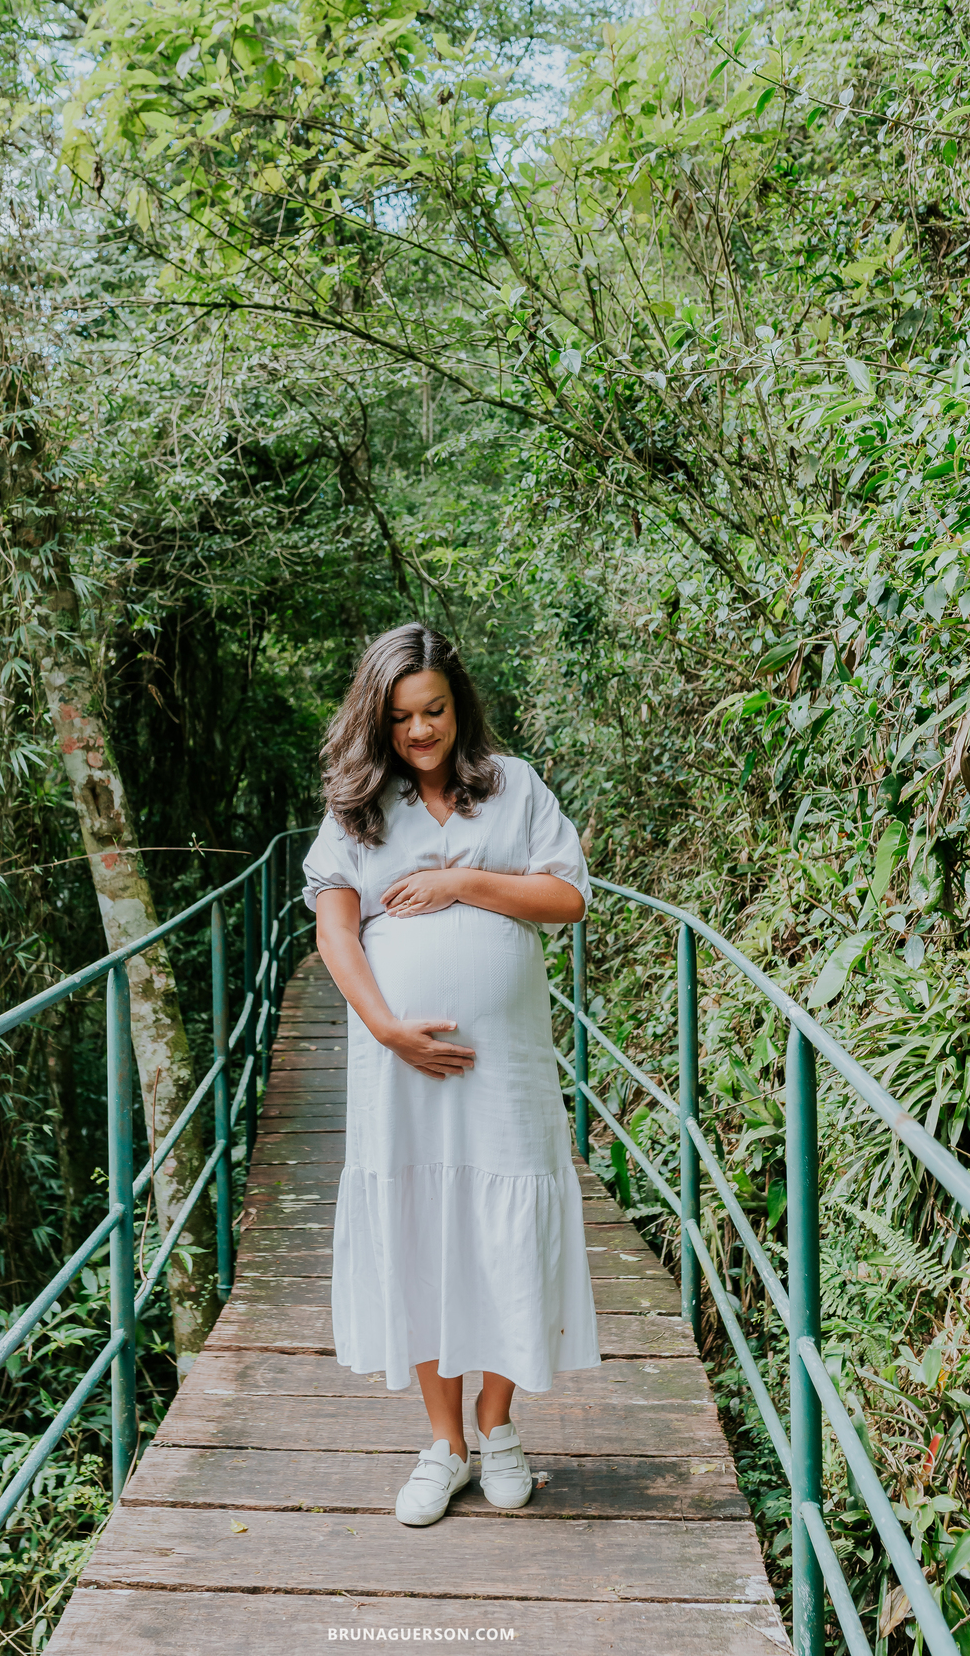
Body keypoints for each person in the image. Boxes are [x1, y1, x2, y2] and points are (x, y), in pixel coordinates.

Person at [302, 623, 599, 1529]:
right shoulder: (360, 805)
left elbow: (567, 897)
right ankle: (445, 1443)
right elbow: (335, 929)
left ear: (459, 705)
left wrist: (465, 881)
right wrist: (390, 1028)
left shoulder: (512, 788)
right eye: (401, 717)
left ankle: (498, 1426)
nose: (420, 731)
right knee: (423, 1224)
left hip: (502, 1066)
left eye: (434, 710)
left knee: (504, 1219)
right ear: (377, 718)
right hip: (400, 1068)